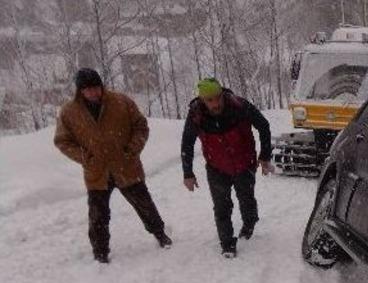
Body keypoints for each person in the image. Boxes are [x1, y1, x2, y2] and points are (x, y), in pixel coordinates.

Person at [54, 68, 172, 264]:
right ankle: (100, 252)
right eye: (87, 89)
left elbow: (141, 126)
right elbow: (62, 141)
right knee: (98, 216)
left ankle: (160, 234)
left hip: (126, 166)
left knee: (145, 205)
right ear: (80, 91)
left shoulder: (120, 102)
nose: (93, 93)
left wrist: (132, 149)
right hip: (97, 173)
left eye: (96, 88)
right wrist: (85, 157)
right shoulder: (69, 112)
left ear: (101, 86)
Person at [181, 78, 273, 258]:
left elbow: (264, 126)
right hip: (217, 167)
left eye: (217, 98)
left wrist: (265, 156)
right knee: (221, 206)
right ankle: (227, 243)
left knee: (246, 199)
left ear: (222, 94)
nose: (215, 104)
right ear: (202, 100)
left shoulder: (240, 106)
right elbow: (187, 143)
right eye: (209, 100)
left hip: (244, 163)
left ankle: (249, 224)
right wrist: (188, 173)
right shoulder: (196, 115)